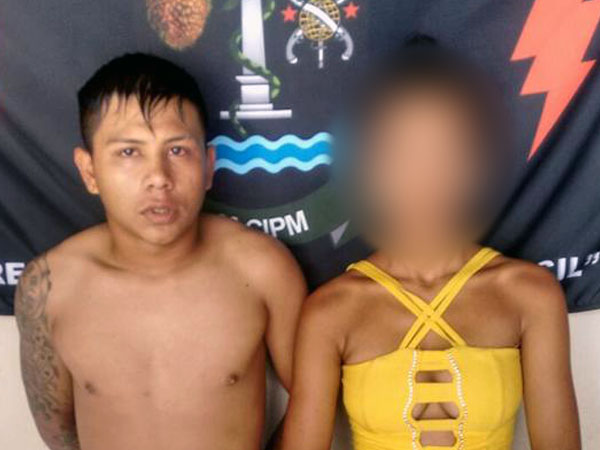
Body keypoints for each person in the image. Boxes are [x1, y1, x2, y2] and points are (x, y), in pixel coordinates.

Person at [280, 37, 580, 450]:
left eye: (445, 151)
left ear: (473, 164)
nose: (426, 177)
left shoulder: (529, 295)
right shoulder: (331, 312)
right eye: (405, 154)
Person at [14, 53, 306, 450]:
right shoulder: (49, 286)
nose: (158, 178)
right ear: (89, 171)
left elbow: (312, 400)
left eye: (177, 150)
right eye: (129, 152)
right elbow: (58, 430)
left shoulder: (261, 267)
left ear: (208, 166)